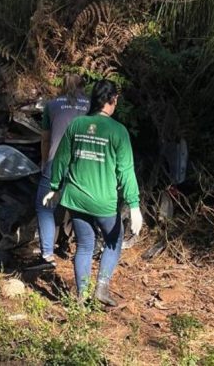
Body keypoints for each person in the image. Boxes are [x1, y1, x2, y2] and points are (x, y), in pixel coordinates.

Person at [42, 80, 142, 306]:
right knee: (114, 241)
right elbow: (126, 171)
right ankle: (102, 287)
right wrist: (133, 205)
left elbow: (61, 159)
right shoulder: (118, 131)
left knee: (85, 245)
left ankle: (81, 296)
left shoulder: (77, 125)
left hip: (76, 198)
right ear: (113, 100)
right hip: (103, 201)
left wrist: (55, 187)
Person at [34, 73, 90, 268]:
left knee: (45, 206)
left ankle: (47, 254)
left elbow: (45, 138)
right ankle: (84, 248)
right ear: (83, 85)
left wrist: (44, 161)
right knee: (80, 206)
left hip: (56, 160)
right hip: (83, 163)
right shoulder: (91, 105)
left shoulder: (52, 105)